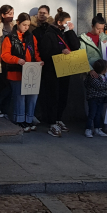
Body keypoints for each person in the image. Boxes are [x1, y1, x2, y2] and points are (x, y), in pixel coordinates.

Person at [38, 8, 80, 137]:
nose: (69, 24)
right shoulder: (49, 34)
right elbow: (45, 52)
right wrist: (59, 52)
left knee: (63, 96)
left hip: (65, 69)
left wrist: (71, 32)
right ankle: (51, 122)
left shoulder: (66, 33)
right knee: (53, 96)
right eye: (67, 22)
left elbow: (76, 46)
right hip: (52, 71)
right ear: (59, 22)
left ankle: (59, 118)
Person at [0, 12, 43, 132]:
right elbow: (5, 55)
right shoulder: (9, 38)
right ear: (18, 23)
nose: (26, 27)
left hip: (31, 73)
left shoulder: (31, 37)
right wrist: (17, 60)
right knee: (20, 97)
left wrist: (39, 61)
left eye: (28, 25)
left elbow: (36, 52)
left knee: (32, 97)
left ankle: (29, 119)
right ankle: (19, 120)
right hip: (16, 73)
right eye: (24, 25)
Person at [79, 13, 107, 136]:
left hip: (103, 73)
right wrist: (89, 69)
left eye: (102, 29)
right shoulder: (83, 38)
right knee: (90, 101)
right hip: (90, 74)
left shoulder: (105, 37)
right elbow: (81, 55)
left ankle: (105, 124)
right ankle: (90, 126)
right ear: (92, 26)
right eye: (97, 28)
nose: (100, 31)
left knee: (105, 100)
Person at [84, 59, 107, 138]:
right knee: (92, 114)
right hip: (94, 98)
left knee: (98, 114)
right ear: (103, 69)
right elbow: (99, 86)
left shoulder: (103, 76)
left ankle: (97, 128)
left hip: (101, 98)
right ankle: (88, 129)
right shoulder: (93, 77)